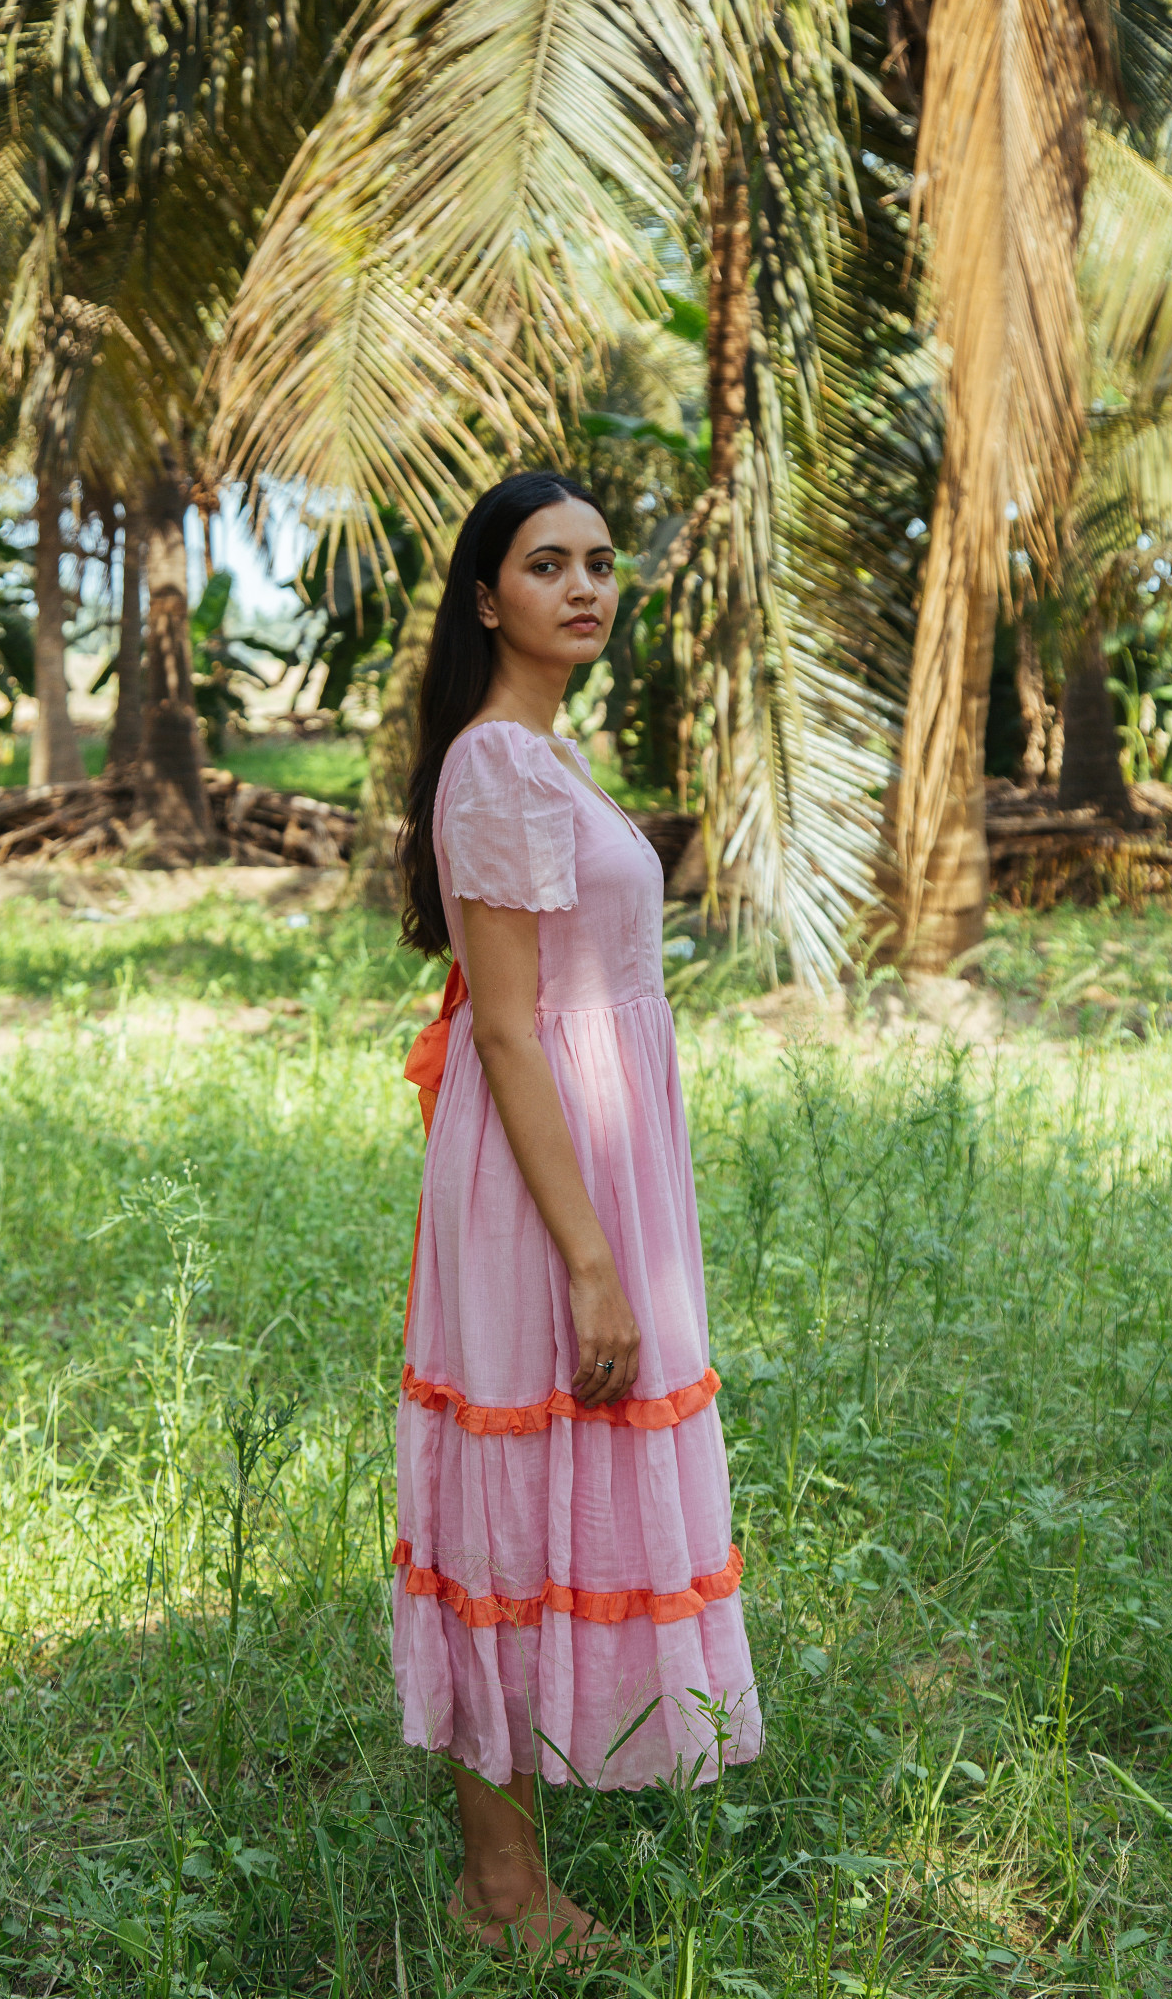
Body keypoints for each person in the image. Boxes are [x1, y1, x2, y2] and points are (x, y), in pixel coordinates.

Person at [393, 470, 761, 1960]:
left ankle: (519, 1863)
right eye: (547, 565)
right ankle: (498, 1890)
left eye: (601, 562)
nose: (585, 587)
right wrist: (591, 1263)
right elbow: (501, 1027)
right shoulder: (492, 766)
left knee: (565, 1474)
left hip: (601, 1158)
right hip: (544, 1184)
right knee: (506, 1493)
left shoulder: (545, 757)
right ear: (487, 596)